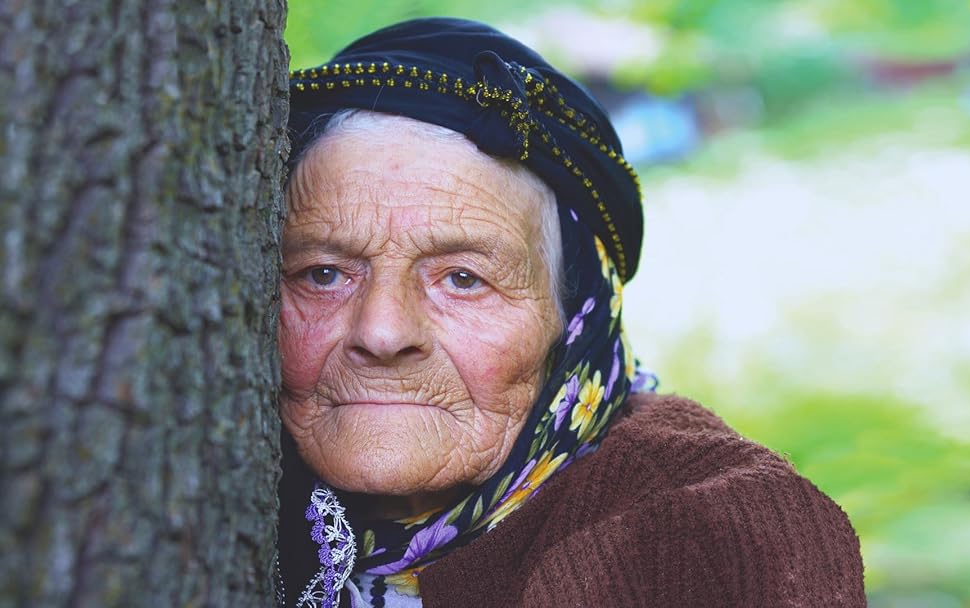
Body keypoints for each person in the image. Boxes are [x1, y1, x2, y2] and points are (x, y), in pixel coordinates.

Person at [277, 17, 865, 608]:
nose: (382, 331)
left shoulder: (713, 537)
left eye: (463, 279)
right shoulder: (239, 486)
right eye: (323, 274)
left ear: (580, 318)